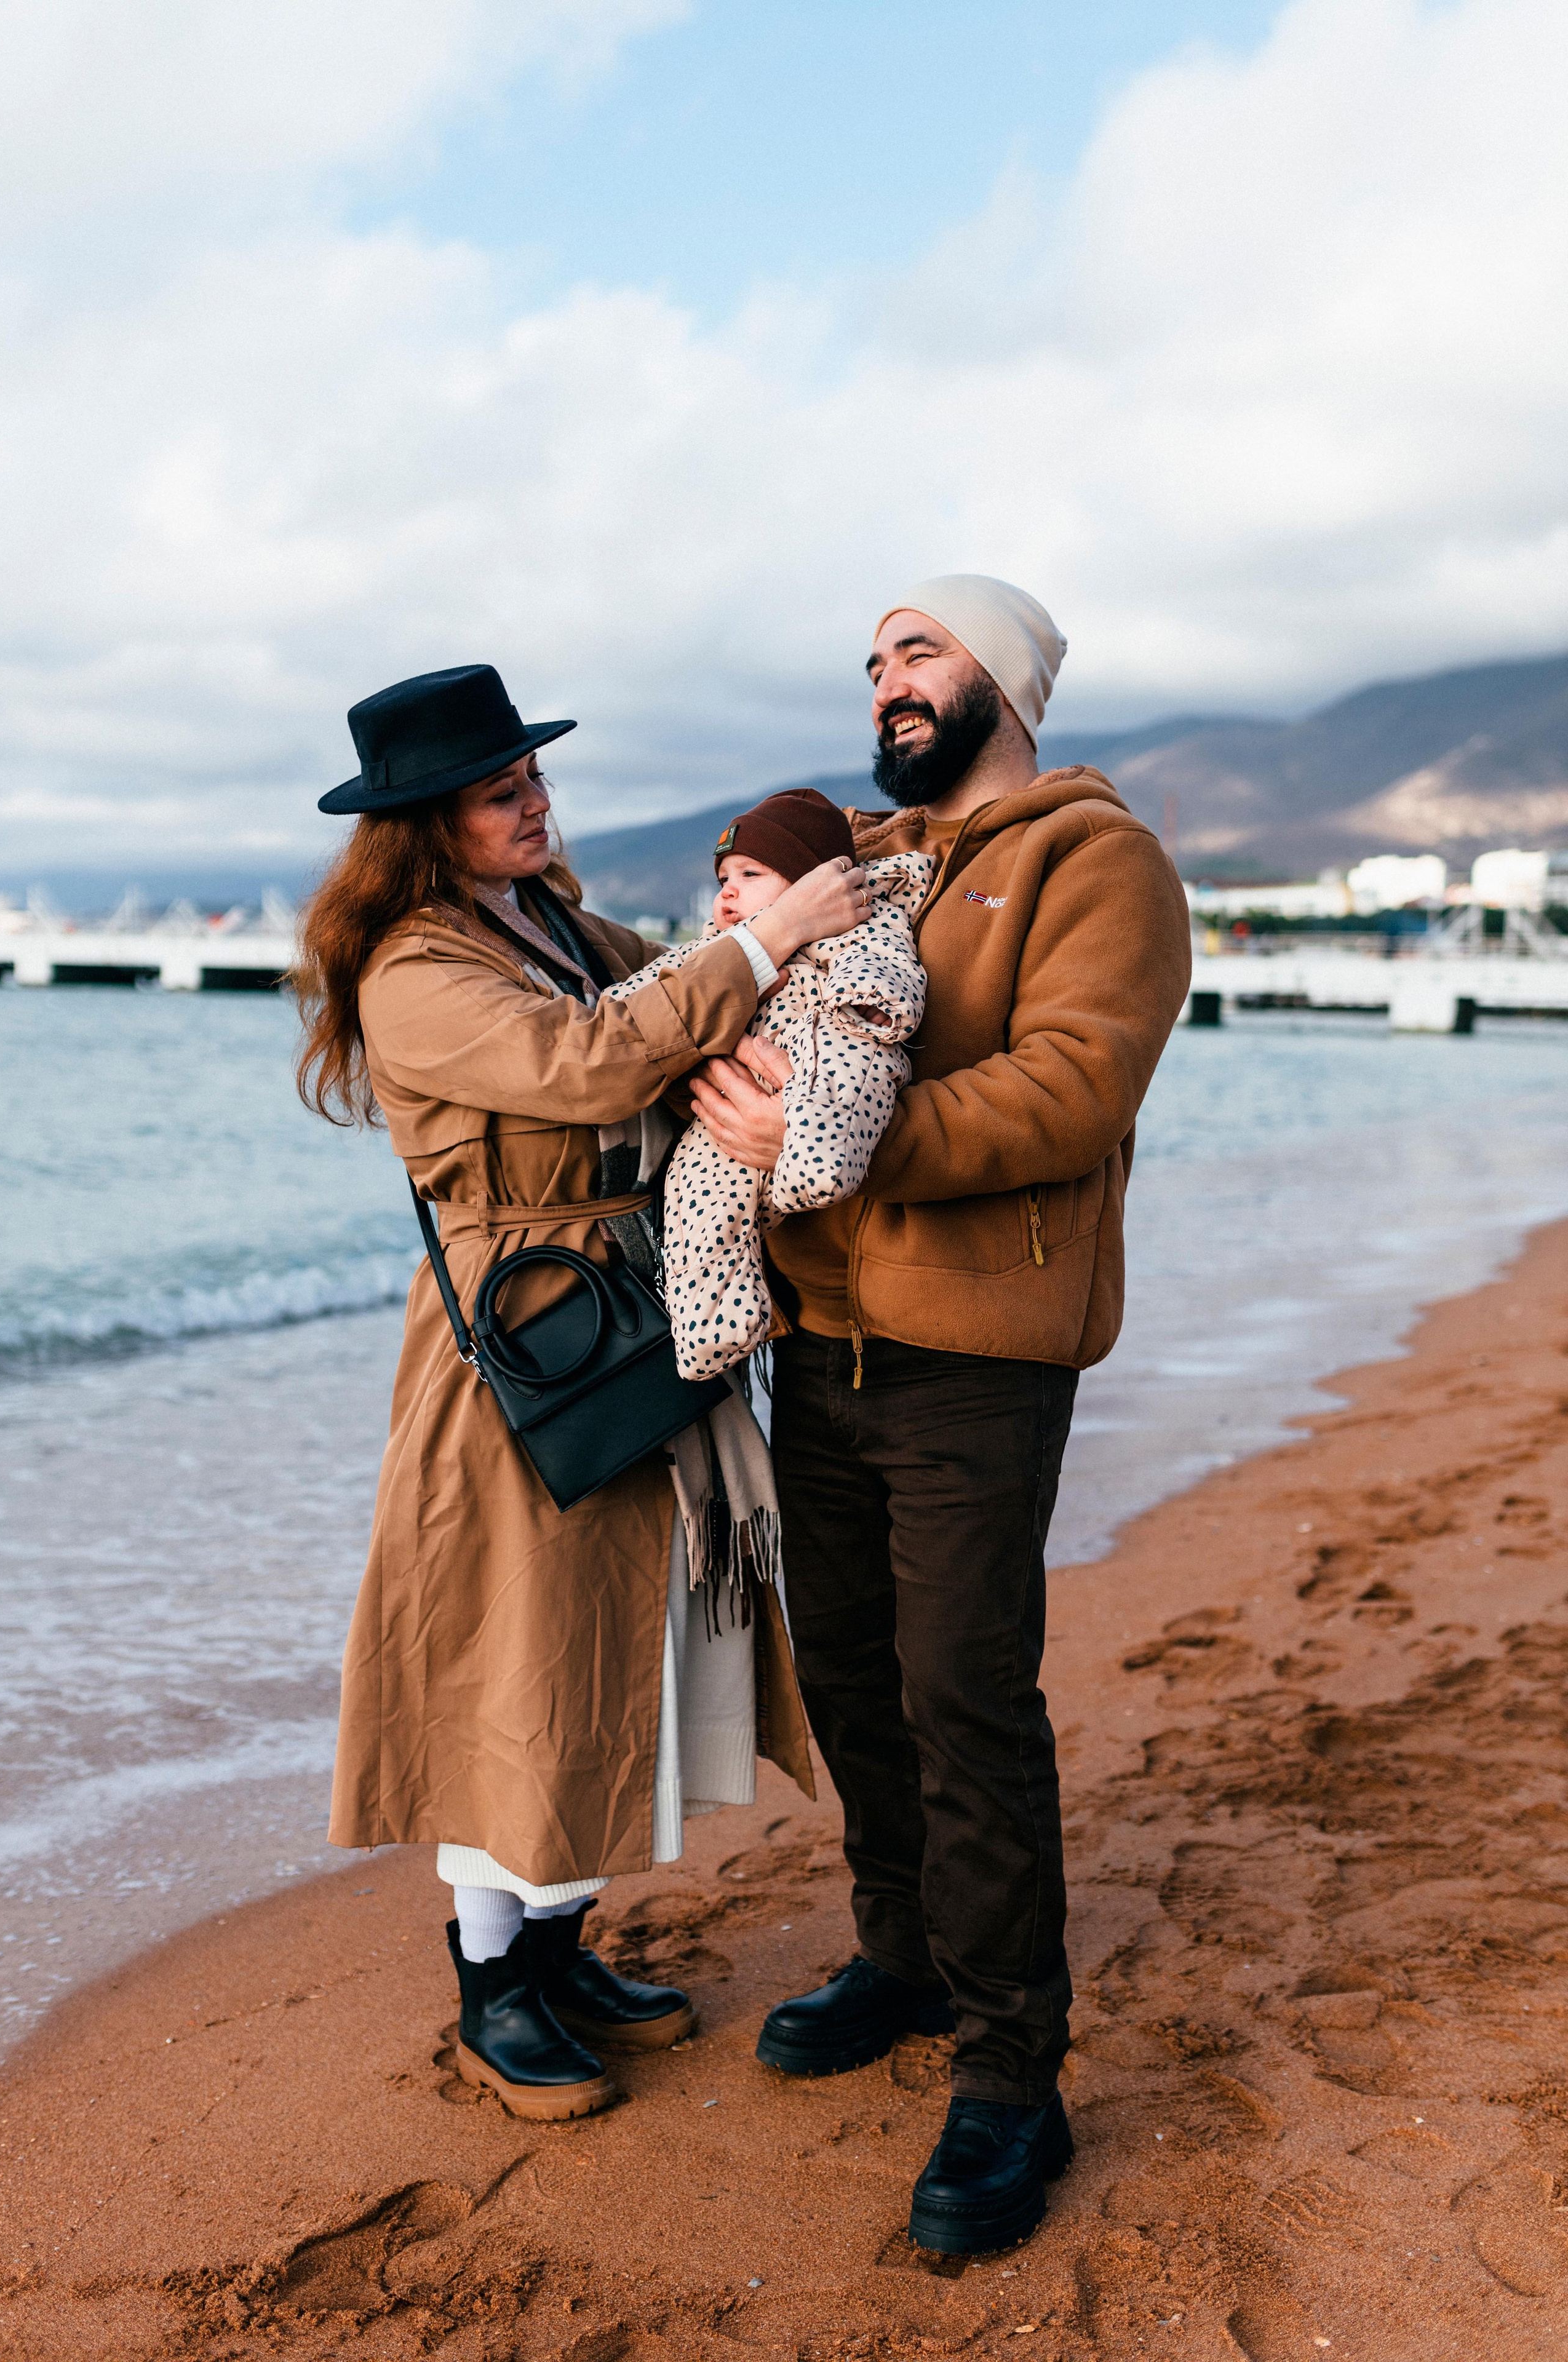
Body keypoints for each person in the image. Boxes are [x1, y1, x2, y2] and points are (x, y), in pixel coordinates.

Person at [688, 577, 1193, 2254]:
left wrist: (825, 1146)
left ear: (1010, 675)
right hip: (821, 1333)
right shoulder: (873, 864)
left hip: (982, 1352)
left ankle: (1011, 2075)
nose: (888, 679)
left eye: (919, 649)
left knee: (961, 1695)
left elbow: (1070, 1090)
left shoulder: (1093, 862)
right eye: (875, 660)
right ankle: (902, 1956)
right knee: (848, 1673)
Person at [295, 662, 866, 2121]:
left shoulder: (540, 917)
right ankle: (493, 1988)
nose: (535, 799)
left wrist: (802, 904)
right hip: (529, 1348)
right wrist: (767, 939)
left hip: (617, 1313)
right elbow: (599, 1055)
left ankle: (553, 1947)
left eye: (535, 775)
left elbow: (674, 980)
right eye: (502, 789)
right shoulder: (414, 967)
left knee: (610, 1649)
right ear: (426, 822)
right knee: (516, 1665)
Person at [600, 786, 934, 1378]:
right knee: (695, 1197)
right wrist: (617, 1007)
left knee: (856, 1083)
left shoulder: (861, 921)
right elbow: (656, 990)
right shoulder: (716, 949)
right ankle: (713, 1325)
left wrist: (869, 1006)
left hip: (836, 1036)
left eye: (750, 873)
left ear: (814, 885)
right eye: (723, 875)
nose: (727, 890)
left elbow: (885, 964)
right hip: (731, 1104)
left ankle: (820, 1161)